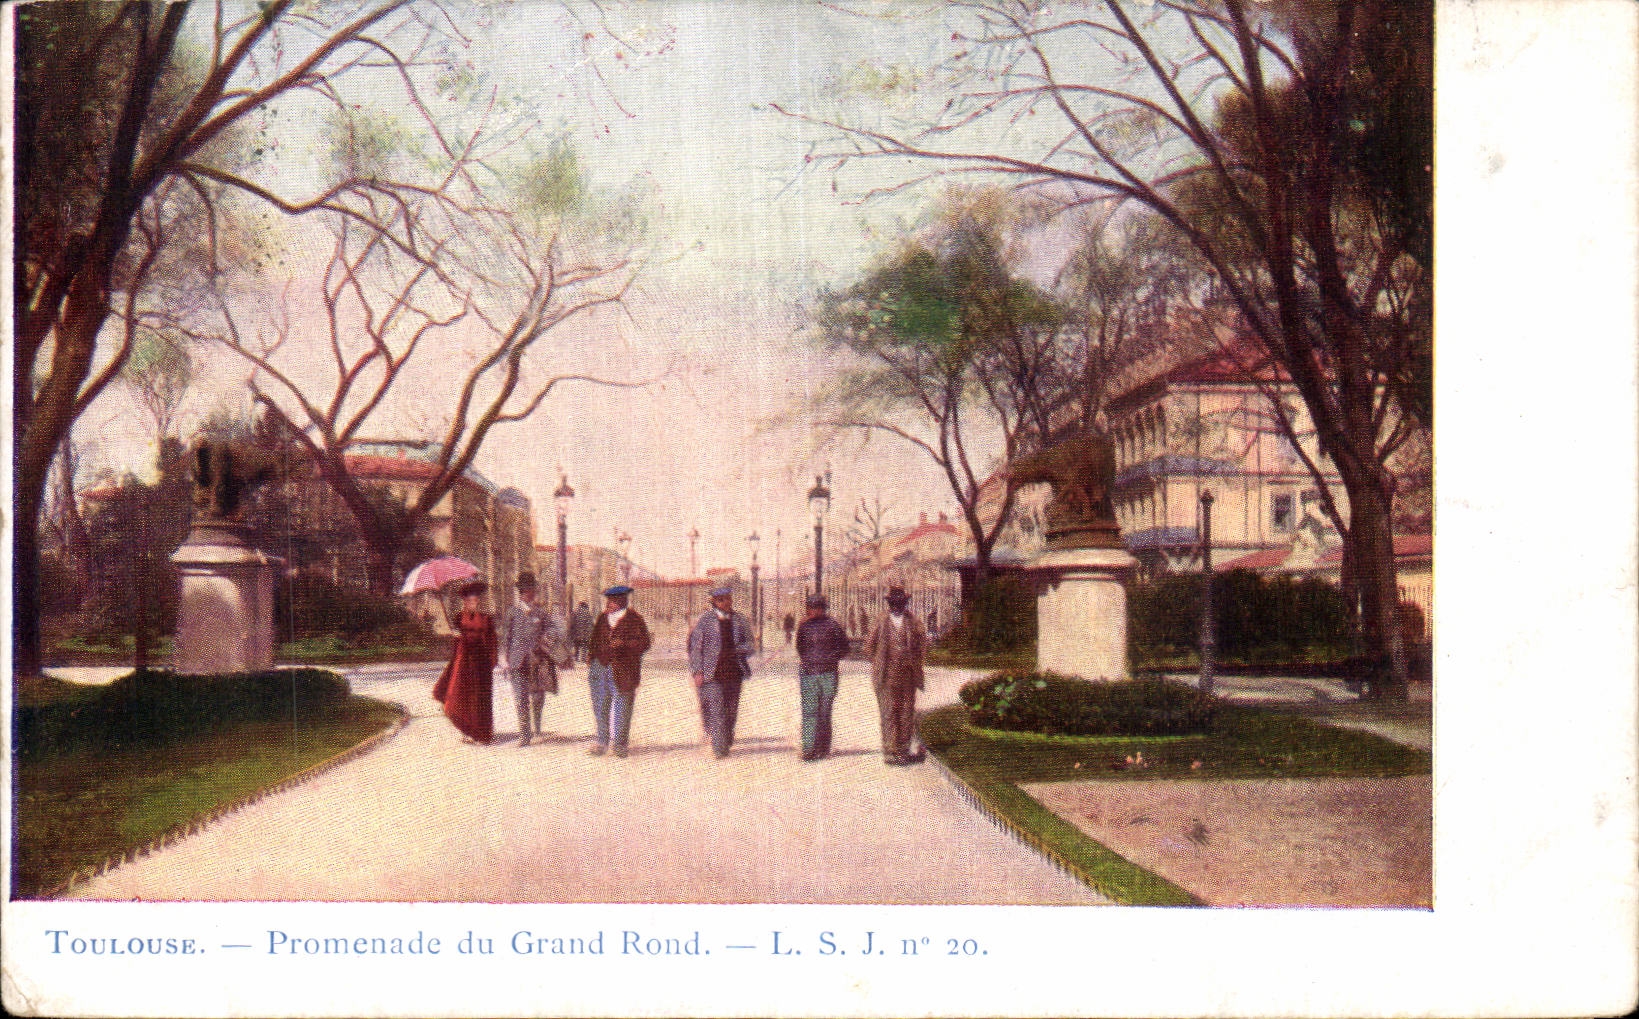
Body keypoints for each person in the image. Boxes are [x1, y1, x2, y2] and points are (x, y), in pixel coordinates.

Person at [498, 572, 568, 748]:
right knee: (520, 697)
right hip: (517, 661)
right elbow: (506, 637)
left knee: (537, 697)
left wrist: (547, 636)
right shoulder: (512, 613)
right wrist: (504, 659)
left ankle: (537, 725)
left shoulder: (541, 613)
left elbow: (553, 630)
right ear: (520, 593)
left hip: (538, 661)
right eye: (525, 591)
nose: (528, 594)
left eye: (531, 591)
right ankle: (525, 734)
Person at [584, 585, 651, 758]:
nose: (609, 604)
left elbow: (644, 643)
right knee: (600, 706)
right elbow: (594, 640)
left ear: (622, 601)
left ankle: (620, 744)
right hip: (600, 668)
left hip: (624, 670)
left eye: (612, 601)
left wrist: (625, 644)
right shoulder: (602, 618)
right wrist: (591, 658)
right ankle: (602, 742)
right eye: (608, 600)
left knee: (623, 707)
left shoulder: (635, 620)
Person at [687, 585, 754, 759]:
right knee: (716, 710)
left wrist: (738, 649)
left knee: (731, 710)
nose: (725, 602)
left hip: (734, 672)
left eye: (728, 598)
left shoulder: (740, 620)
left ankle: (726, 737)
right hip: (712, 673)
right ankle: (719, 747)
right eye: (721, 600)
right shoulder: (705, 621)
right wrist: (697, 671)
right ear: (714, 602)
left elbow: (750, 646)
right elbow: (695, 649)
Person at [862, 586, 927, 766]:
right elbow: (868, 647)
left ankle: (903, 750)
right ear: (889, 603)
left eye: (901, 603)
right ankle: (890, 750)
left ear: (905, 603)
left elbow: (922, 644)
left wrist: (914, 659)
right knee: (889, 712)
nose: (897, 606)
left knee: (906, 712)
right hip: (887, 675)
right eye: (894, 603)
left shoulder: (913, 621)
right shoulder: (880, 621)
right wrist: (879, 661)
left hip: (908, 674)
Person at [432, 579, 498, 745]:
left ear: (478, 601)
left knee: (479, 698)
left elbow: (490, 640)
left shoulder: (486, 619)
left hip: (480, 662)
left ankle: (482, 733)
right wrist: (455, 636)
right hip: (464, 662)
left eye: (475, 600)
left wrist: (492, 660)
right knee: (462, 695)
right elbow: (457, 640)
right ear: (464, 602)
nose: (472, 603)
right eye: (468, 601)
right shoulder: (459, 617)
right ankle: (468, 730)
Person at [794, 593, 851, 762]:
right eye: (809, 608)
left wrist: (831, 658)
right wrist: (808, 661)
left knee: (825, 712)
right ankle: (809, 748)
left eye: (815, 608)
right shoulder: (804, 627)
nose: (811, 611)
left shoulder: (833, 626)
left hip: (828, 674)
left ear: (822, 609)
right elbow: (800, 647)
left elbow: (845, 648)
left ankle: (823, 747)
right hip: (809, 673)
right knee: (809, 711)